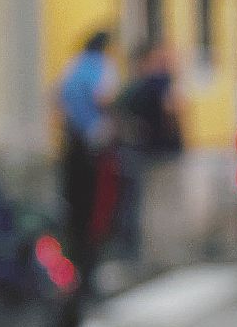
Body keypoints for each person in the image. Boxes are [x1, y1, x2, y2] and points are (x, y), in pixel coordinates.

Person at [56, 29, 119, 294]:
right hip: (95, 149)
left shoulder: (71, 67)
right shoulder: (103, 67)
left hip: (71, 147)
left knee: (74, 215)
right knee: (96, 215)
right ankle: (89, 278)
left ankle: (73, 275)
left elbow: (58, 99)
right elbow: (104, 98)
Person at [113, 41, 183, 265]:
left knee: (150, 206)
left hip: (148, 151)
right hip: (159, 152)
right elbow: (173, 110)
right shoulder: (158, 85)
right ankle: (162, 255)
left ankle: (154, 254)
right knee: (161, 205)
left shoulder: (134, 88)